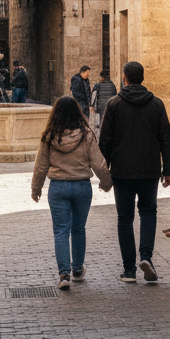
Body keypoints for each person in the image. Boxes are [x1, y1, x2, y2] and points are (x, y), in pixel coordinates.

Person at [98, 61, 170, 284]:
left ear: (124, 78)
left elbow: (105, 142)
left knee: (125, 218)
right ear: (142, 78)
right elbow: (166, 140)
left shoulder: (113, 105)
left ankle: (129, 270)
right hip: (149, 170)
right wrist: (167, 170)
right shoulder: (157, 104)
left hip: (122, 172)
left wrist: (104, 174)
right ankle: (147, 256)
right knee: (148, 212)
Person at [31, 97, 112, 290]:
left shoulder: (49, 136)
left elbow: (41, 165)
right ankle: (77, 269)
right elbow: (98, 162)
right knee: (78, 228)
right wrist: (106, 182)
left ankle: (64, 274)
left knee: (60, 231)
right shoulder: (86, 135)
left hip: (58, 187)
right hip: (82, 186)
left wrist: (36, 188)